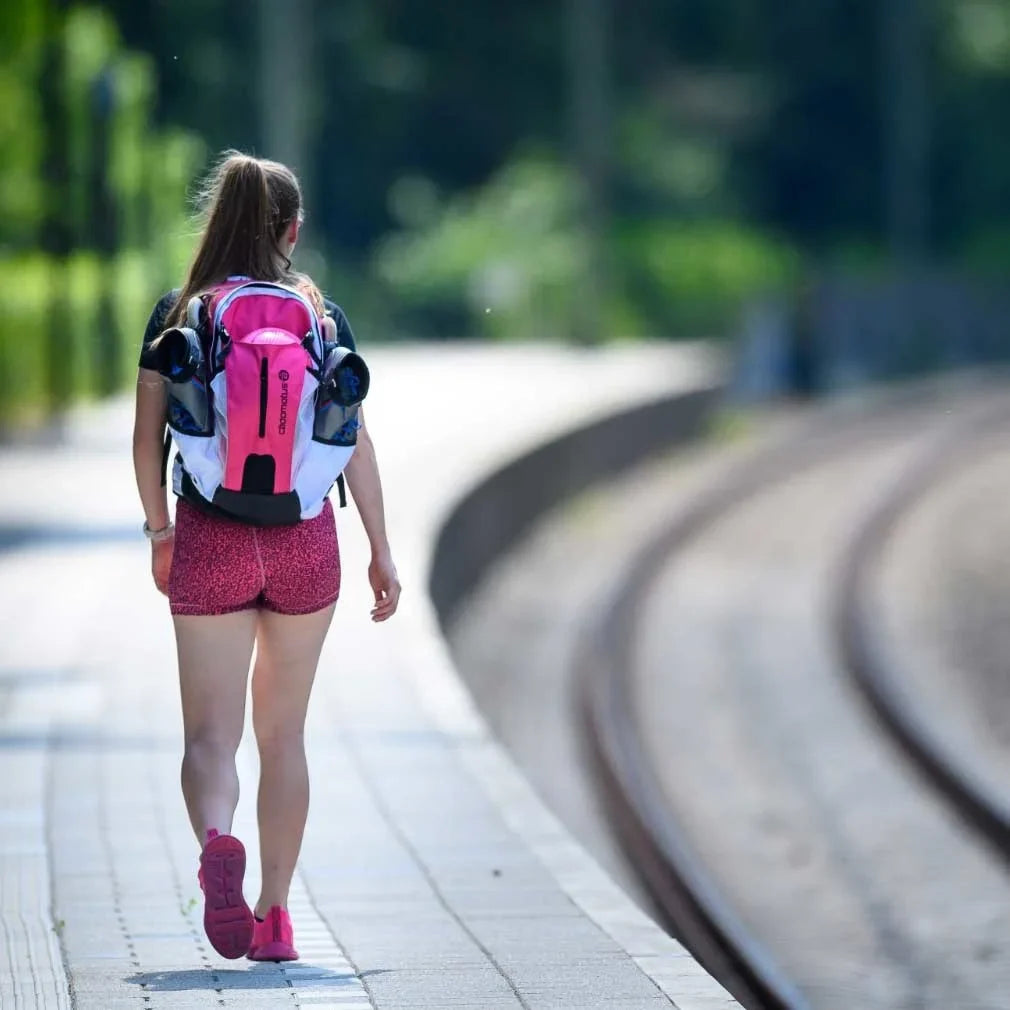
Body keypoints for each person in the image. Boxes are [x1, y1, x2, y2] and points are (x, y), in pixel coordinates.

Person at [132, 151, 400, 962]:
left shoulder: (179, 313)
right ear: (293, 230)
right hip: (304, 544)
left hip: (210, 536)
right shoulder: (322, 316)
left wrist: (161, 533)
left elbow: (145, 439)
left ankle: (219, 839)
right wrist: (381, 550)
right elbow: (354, 443)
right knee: (283, 738)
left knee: (209, 740)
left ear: (219, 221)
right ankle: (275, 917)